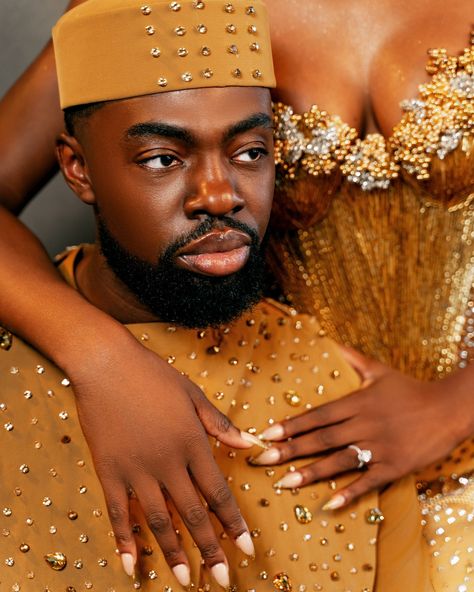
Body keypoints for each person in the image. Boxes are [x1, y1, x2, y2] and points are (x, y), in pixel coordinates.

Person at [0, 0, 472, 589]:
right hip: (262, 421)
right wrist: (104, 359)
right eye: (165, 158)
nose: (219, 194)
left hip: (360, 439)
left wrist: (454, 404)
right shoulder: (150, 14)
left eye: (252, 151)